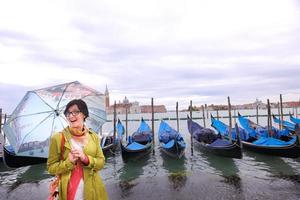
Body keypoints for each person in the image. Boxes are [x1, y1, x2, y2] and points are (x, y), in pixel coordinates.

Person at [47, 99, 108, 200]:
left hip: (94, 190)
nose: (71, 116)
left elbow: (101, 163)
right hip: (69, 192)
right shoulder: (57, 138)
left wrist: (85, 159)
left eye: (75, 112)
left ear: (84, 114)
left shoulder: (94, 137)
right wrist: (68, 162)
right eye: (68, 113)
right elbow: (51, 168)